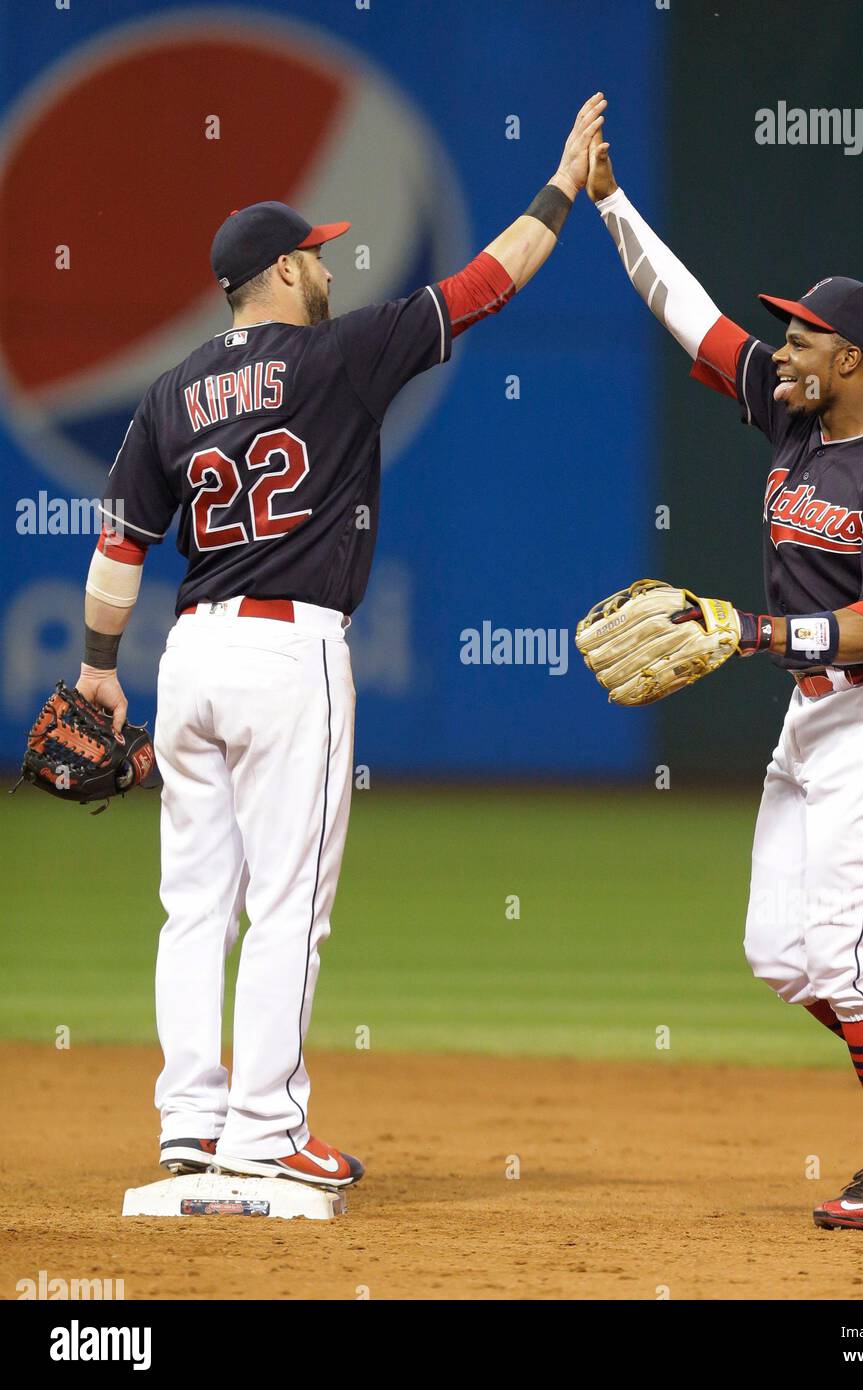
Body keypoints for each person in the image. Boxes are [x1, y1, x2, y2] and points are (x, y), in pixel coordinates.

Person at [76, 93, 607, 1190]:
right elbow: (488, 281)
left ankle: (190, 1119)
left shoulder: (167, 396)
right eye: (313, 257)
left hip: (188, 660)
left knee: (193, 904)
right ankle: (265, 1130)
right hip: (288, 657)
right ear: (275, 274)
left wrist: (93, 671)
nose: (329, 267)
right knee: (286, 906)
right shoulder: (339, 358)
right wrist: (561, 186)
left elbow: (119, 545)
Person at [583, 128, 863, 1229]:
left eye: (802, 339)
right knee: (782, 952)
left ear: (853, 362)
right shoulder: (792, 414)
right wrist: (611, 204)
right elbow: (689, 312)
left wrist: (753, 633)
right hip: (818, 713)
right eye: (783, 335)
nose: (779, 351)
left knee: (853, 951)